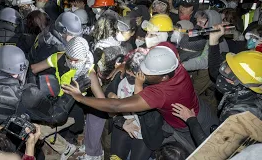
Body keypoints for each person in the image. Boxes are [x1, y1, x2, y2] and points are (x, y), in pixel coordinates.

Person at [63, 45, 219, 152]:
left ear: (164, 77)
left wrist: (79, 97)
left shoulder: (160, 94)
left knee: (203, 153)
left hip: (186, 126)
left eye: (148, 73)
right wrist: (123, 65)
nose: (143, 74)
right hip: (199, 108)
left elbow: (116, 106)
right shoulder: (174, 62)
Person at [31, 37, 106, 160]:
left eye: (76, 60)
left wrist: (81, 96)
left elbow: (102, 101)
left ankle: (67, 147)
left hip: (72, 110)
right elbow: (34, 68)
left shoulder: (89, 73)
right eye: (70, 59)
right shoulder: (58, 57)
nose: (73, 63)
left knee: (39, 131)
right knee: (34, 122)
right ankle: (65, 146)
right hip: (54, 103)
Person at [208, 25, 262, 122]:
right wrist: (214, 41)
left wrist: (192, 122)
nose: (251, 42)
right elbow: (217, 71)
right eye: (251, 37)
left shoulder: (239, 114)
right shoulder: (244, 54)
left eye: (256, 39)